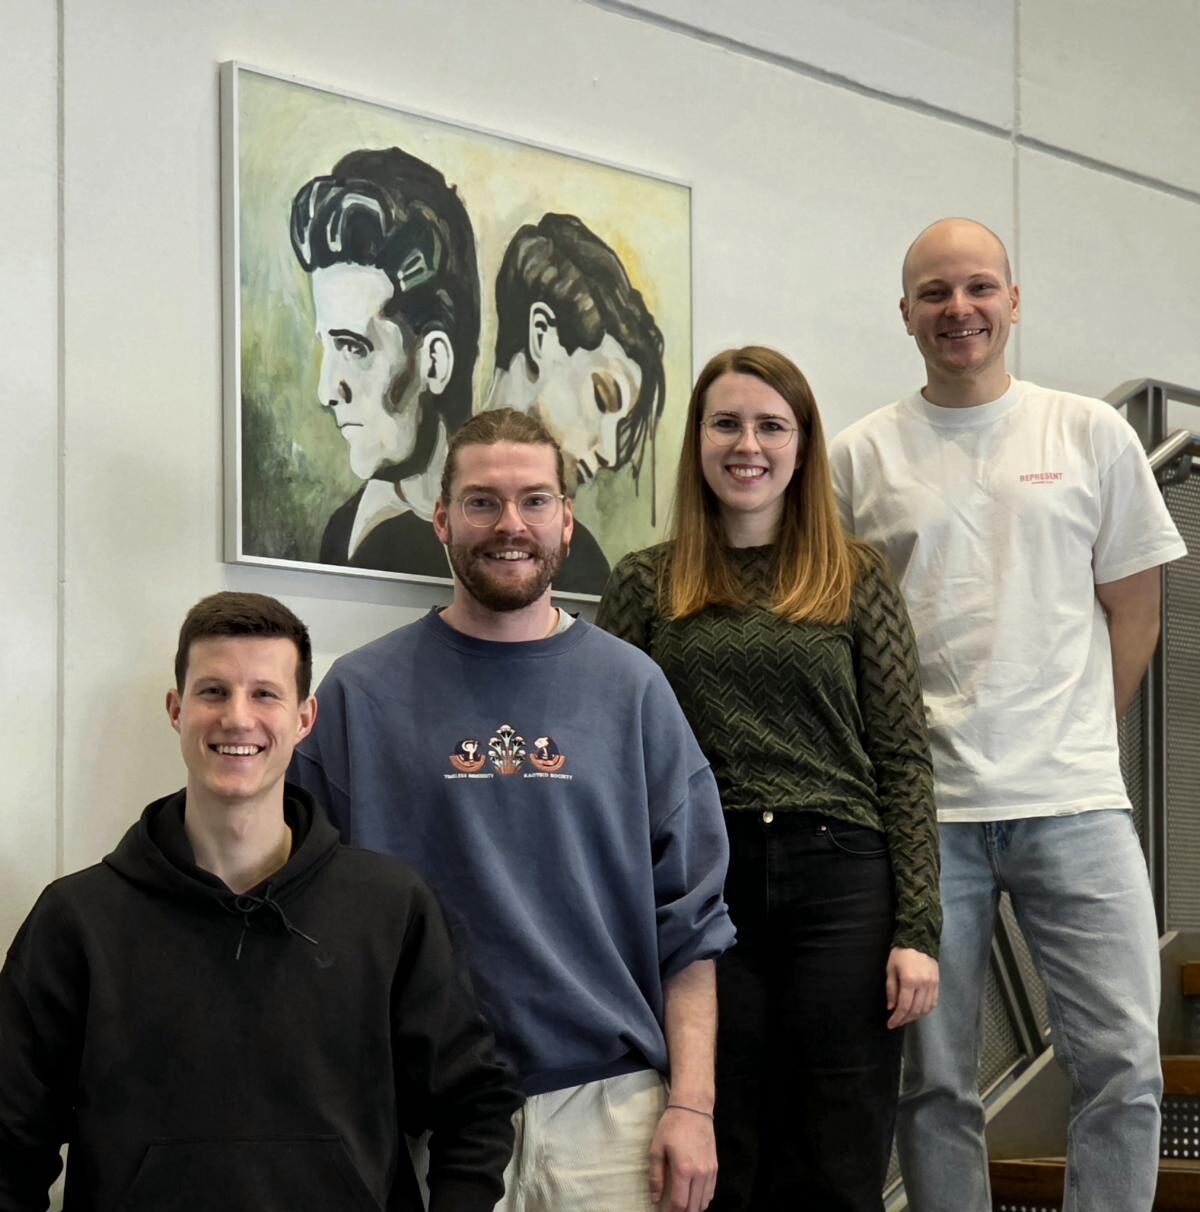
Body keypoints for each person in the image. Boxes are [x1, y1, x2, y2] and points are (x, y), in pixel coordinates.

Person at [290, 408, 735, 1212]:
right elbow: (302, 917)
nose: (510, 525)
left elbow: (692, 927)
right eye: (482, 502)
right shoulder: (358, 696)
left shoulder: (634, 690)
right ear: (441, 519)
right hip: (425, 1118)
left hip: (610, 1113)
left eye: (534, 500)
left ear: (566, 519)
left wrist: (694, 1107)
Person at [828, 217, 1188, 1212]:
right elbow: (838, 632)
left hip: (1076, 804)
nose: (960, 309)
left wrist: (1079, 732)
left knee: (1123, 1066)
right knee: (934, 1085)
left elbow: (1137, 610)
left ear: (1014, 301)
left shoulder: (1091, 434)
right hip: (924, 818)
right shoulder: (858, 458)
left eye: (980, 287)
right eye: (936, 293)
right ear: (906, 314)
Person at [0, 592, 520, 1212]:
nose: (238, 718)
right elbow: (10, 1141)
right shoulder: (77, 920)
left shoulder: (390, 908)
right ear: (176, 710)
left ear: (304, 718)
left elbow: (474, 1105)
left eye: (265, 694)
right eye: (213, 692)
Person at [597, 345, 941, 1212]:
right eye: (726, 424)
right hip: (705, 888)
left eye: (770, 426)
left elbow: (903, 756)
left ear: (802, 444)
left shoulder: (855, 576)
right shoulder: (644, 582)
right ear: (697, 441)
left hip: (842, 883)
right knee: (721, 1138)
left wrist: (919, 928)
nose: (747, 445)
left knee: (838, 1147)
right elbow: (612, 762)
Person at [290, 146, 481, 578]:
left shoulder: (515, 552)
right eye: (327, 347)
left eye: (354, 347)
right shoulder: (343, 533)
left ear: (434, 361)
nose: (327, 391)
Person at [485, 213, 668, 593]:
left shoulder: (584, 562)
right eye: (602, 397)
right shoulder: (400, 525)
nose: (611, 453)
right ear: (542, 336)